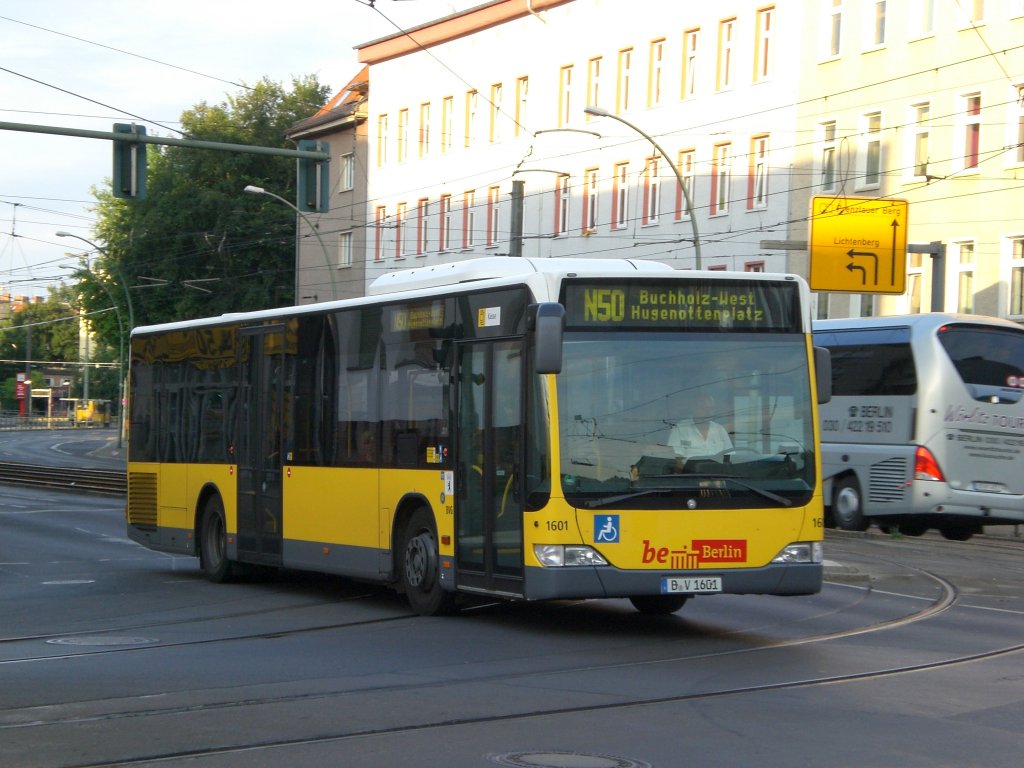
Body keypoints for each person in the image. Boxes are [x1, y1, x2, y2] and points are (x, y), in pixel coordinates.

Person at [668, 391, 732, 469]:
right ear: (694, 408)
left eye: (711, 409)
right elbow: (677, 458)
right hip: (690, 475)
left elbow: (729, 455)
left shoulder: (719, 429)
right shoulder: (680, 428)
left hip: (718, 474)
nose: (709, 413)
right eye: (704, 409)